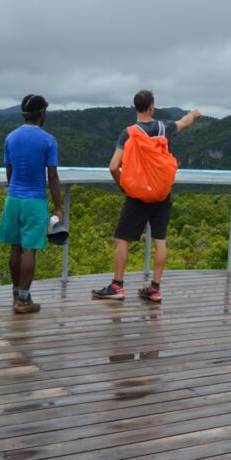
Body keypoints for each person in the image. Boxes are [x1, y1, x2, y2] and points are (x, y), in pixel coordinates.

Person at [92, 89, 202, 302]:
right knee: (160, 240)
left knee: (122, 239)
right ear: (152, 106)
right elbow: (184, 122)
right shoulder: (164, 128)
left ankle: (117, 286)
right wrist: (194, 113)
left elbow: (114, 166)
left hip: (138, 195)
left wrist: (125, 186)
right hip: (162, 194)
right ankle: (155, 288)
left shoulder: (129, 133)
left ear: (136, 107)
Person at [0, 93, 62, 314]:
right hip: (35, 201)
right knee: (29, 251)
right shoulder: (48, 140)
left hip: (13, 198)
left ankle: (16, 293)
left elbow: (9, 171)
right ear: (41, 114)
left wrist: (14, 190)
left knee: (15, 248)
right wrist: (58, 207)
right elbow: (52, 177)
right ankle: (24, 300)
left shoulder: (11, 138)